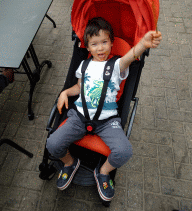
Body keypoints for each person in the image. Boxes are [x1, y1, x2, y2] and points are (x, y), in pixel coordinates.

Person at [46, 17, 162, 201]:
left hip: (107, 122)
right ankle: (70, 163)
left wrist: (142, 44)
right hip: (79, 117)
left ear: (111, 43)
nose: (100, 48)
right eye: (94, 44)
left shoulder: (115, 66)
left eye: (104, 42)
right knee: (52, 144)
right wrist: (65, 93)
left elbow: (130, 56)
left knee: (124, 151)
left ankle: (103, 172)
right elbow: (79, 87)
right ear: (88, 47)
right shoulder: (84, 66)